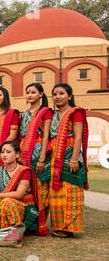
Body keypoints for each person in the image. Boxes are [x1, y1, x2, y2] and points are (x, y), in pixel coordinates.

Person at [49, 83, 89, 238]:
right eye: (54, 94)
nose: (57, 97)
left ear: (70, 96)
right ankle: (59, 226)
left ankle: (69, 226)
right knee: (57, 191)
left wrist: (73, 159)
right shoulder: (54, 115)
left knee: (71, 191)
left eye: (61, 93)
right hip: (55, 156)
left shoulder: (75, 112)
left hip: (69, 154)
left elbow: (78, 136)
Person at [0, 141, 48, 235]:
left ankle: (14, 232)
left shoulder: (24, 171)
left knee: (8, 202)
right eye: (2, 152)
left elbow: (19, 194)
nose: (4, 155)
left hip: (24, 207)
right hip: (4, 204)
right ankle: (7, 230)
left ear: (17, 154)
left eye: (8, 152)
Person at [20, 83, 53, 214]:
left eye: (33, 92)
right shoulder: (24, 114)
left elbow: (46, 136)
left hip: (39, 150)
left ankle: (41, 220)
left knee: (41, 187)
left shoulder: (45, 111)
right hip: (24, 152)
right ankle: (30, 220)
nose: (30, 95)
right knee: (27, 186)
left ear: (41, 94)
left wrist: (42, 158)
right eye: (27, 92)